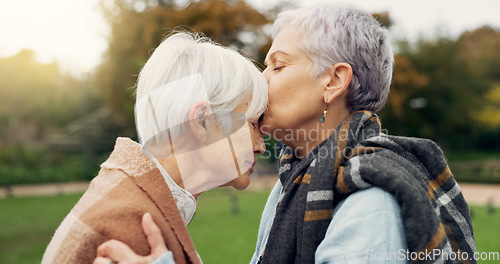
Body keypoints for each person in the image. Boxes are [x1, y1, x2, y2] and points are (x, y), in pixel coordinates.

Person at [95, 5, 476, 264]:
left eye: (278, 66)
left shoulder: (370, 202)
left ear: (333, 81)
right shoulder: (294, 183)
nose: (260, 80)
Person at [42, 32, 267, 264]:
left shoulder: (136, 201)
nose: (261, 145)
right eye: (252, 124)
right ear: (202, 121)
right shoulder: (130, 231)